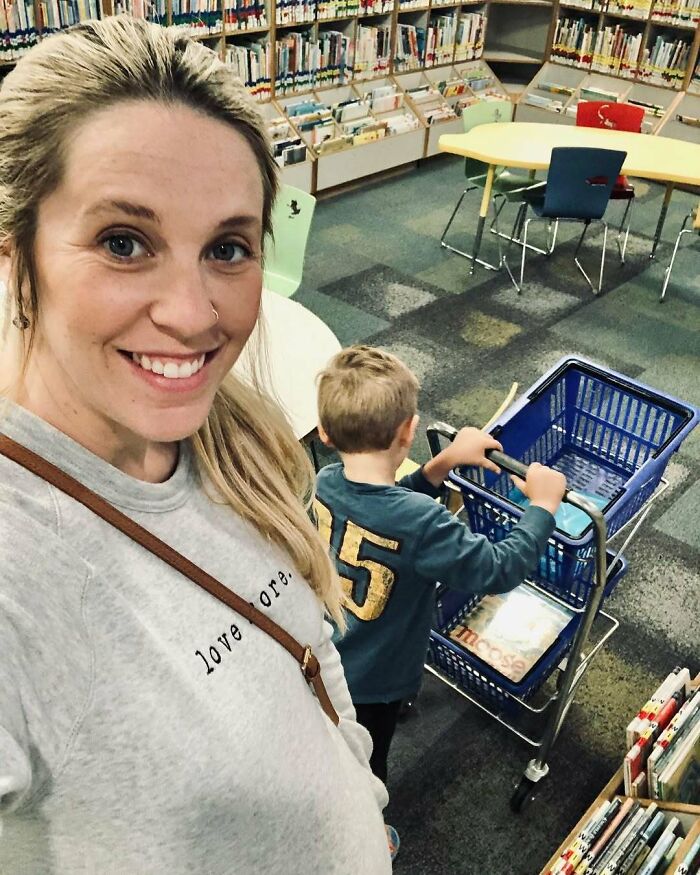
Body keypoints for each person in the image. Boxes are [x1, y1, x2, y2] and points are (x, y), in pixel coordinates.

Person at [0, 18, 391, 874]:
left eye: (227, 248)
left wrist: (360, 790)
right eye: (124, 242)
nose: (192, 311)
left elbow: (305, 641)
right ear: (14, 257)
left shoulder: (238, 437)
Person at [314, 345, 567, 792]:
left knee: (337, 746)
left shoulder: (324, 483)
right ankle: (370, 829)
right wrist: (543, 506)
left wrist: (443, 464)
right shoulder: (423, 522)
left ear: (325, 435)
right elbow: (500, 568)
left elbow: (382, 502)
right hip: (379, 680)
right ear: (408, 432)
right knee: (367, 768)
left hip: (329, 659)